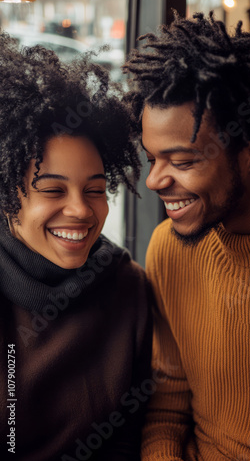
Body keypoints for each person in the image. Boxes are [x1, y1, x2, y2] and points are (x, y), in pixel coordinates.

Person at [123, 11, 250, 460]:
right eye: (153, 158)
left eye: (182, 161)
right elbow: (168, 403)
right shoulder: (169, 250)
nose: (154, 181)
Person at [0, 31, 152, 461]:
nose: (81, 211)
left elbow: (129, 436)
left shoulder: (128, 287)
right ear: (7, 195)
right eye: (52, 190)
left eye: (95, 189)